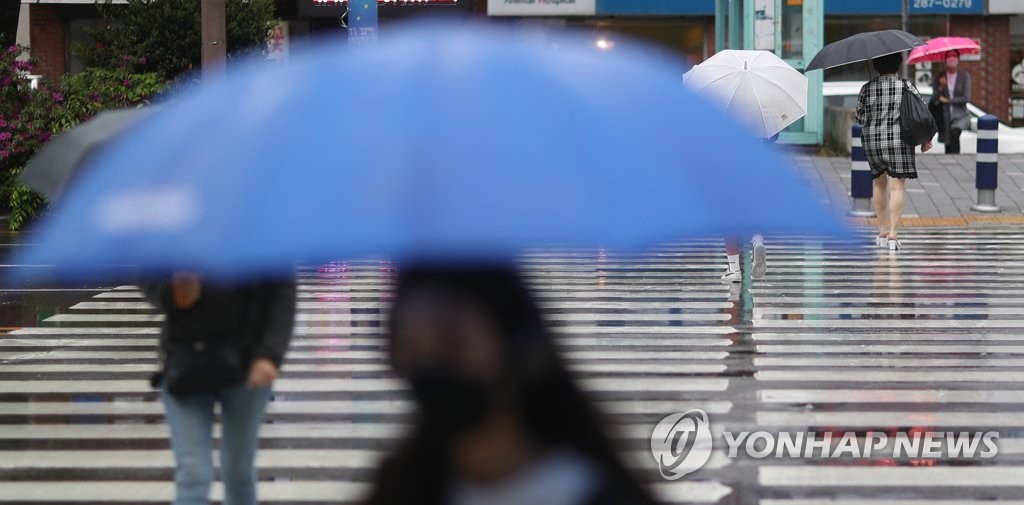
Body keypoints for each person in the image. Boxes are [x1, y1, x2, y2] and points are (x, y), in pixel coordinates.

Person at [366, 266, 657, 505]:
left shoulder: (595, 493)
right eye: (409, 350)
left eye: (453, 344)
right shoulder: (399, 488)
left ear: (518, 346)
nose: (431, 368)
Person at [144, 272, 297, 505]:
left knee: (238, 471)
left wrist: (270, 355)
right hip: (186, 361)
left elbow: (282, 292)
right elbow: (150, 272)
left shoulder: (259, 235)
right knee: (193, 474)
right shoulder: (174, 235)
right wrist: (174, 292)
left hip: (248, 362)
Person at [856, 53, 933, 252]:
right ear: (898, 66)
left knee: (878, 185)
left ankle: (881, 231)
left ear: (875, 66)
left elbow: (860, 116)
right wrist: (926, 140)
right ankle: (892, 235)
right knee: (896, 187)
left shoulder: (867, 88)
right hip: (899, 141)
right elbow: (921, 114)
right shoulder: (906, 86)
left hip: (873, 141)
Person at [721, 133, 776, 282]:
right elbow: (773, 135)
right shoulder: (762, 112)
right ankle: (757, 240)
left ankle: (734, 269)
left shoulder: (726, 111)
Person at [930, 50, 972, 154]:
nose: (952, 58)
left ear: (958, 59)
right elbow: (934, 98)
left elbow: (966, 98)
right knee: (947, 143)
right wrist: (941, 86)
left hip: (960, 115)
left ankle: (957, 159)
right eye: (949, 56)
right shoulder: (939, 76)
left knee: (955, 134)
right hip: (944, 116)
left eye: (954, 55)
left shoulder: (964, 76)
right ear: (945, 60)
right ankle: (950, 163)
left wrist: (948, 100)